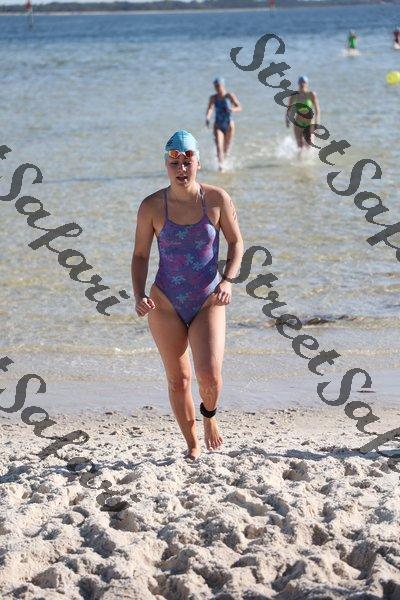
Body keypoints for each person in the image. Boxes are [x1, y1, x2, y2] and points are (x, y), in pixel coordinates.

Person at [131, 130, 244, 460]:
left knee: (209, 376)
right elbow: (140, 255)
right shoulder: (151, 206)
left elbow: (236, 243)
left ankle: (209, 416)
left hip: (209, 299)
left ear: (198, 162)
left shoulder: (217, 199)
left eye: (187, 161)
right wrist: (138, 294)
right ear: (166, 165)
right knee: (179, 380)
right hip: (165, 301)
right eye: (174, 163)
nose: (181, 169)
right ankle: (192, 444)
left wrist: (228, 281)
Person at [205, 77, 242, 171]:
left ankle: (224, 161)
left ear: (223, 85)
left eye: (218, 86)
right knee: (219, 146)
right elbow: (210, 109)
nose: (217, 88)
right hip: (218, 125)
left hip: (229, 125)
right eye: (215, 86)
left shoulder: (229, 96)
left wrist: (233, 109)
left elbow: (239, 107)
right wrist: (208, 117)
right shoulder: (213, 98)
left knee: (226, 147)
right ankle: (221, 166)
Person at [286, 76, 320, 151]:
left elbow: (317, 110)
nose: (302, 84)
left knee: (309, 144)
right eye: (301, 82)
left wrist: (317, 122)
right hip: (298, 123)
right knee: (300, 147)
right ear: (298, 83)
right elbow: (289, 109)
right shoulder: (294, 96)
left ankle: (308, 158)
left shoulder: (311, 94)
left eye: (304, 82)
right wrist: (287, 120)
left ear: (307, 83)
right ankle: (299, 158)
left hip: (309, 123)